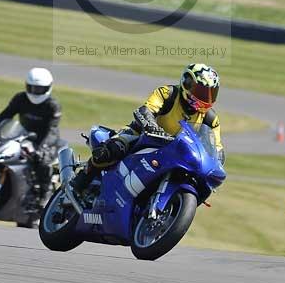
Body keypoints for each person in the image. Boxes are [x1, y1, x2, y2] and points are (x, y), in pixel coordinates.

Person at [71, 63, 224, 196]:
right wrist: (153, 128)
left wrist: (216, 164)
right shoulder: (168, 93)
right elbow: (145, 110)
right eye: (202, 92)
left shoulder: (210, 118)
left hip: (175, 154)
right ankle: (81, 181)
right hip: (143, 135)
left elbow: (217, 149)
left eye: (211, 94)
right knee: (111, 151)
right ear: (187, 83)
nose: (206, 98)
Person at [0, 67, 61, 201]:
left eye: (39, 89)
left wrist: (42, 148)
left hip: (45, 140)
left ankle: (45, 194)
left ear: (48, 88)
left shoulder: (52, 106)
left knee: (43, 162)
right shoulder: (20, 98)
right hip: (21, 136)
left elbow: (52, 130)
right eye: (32, 88)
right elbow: (5, 116)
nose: (35, 92)